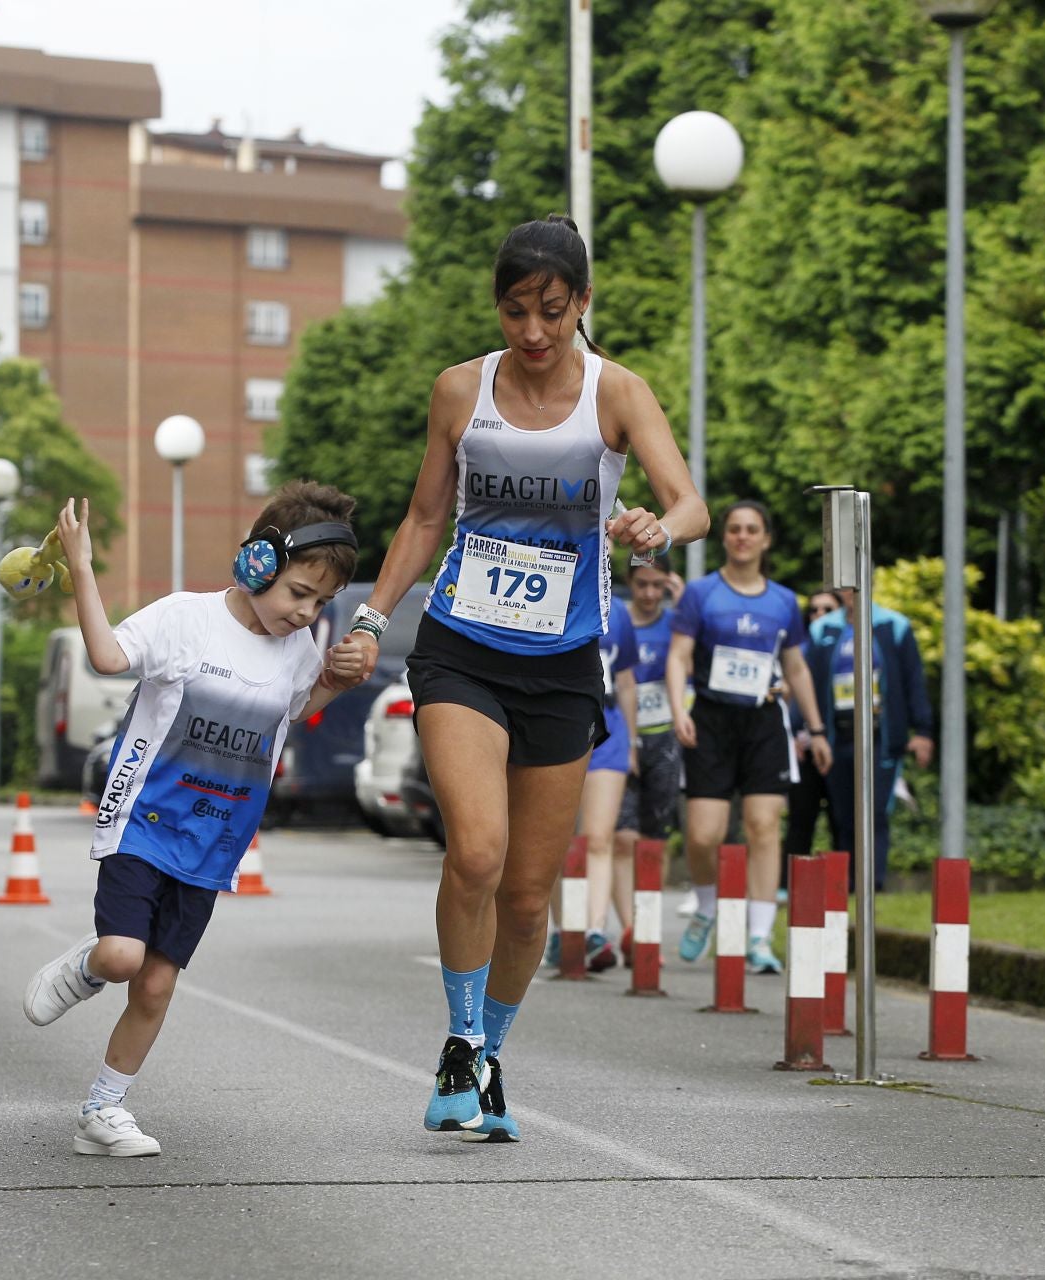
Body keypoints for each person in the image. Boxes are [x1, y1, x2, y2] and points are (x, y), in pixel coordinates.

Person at [343, 215, 706, 1141]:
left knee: (530, 895)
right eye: (516, 311)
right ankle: (459, 1046)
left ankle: (490, 1052)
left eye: (552, 310)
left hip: (564, 663)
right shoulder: (462, 390)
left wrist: (659, 528)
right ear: (498, 307)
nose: (535, 331)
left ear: (582, 303)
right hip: (463, 645)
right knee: (476, 852)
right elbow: (426, 518)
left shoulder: (617, 393)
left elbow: (689, 500)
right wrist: (375, 616)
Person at [22, 483, 367, 1158]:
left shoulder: (297, 650)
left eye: (321, 603)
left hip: (215, 838)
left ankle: (104, 1109)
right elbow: (108, 659)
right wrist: (84, 571)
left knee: (157, 981)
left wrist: (338, 678)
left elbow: (296, 708)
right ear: (257, 564)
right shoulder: (185, 618)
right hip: (144, 817)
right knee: (123, 958)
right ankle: (86, 967)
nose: (307, 613)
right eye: (299, 592)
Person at [665, 501, 832, 975]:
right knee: (703, 834)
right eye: (734, 529)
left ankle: (759, 937)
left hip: (763, 721)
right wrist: (681, 709)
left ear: (765, 540)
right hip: (712, 720)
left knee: (763, 826)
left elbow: (796, 667)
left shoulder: (782, 601)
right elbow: (679, 657)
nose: (742, 536)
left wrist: (815, 729)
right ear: (726, 538)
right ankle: (706, 904)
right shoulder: (700, 594)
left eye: (751, 529)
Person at [807, 587, 934, 890]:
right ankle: (847, 884)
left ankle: (873, 884)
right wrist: (808, 731)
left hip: (881, 737)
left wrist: (924, 732)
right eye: (846, 587)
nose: (851, 593)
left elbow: (913, 680)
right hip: (837, 735)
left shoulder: (895, 625)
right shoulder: (822, 629)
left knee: (875, 810)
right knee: (842, 814)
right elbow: (807, 682)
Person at [547, 594, 636, 972]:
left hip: (609, 729)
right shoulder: (548, 592)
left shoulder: (618, 611)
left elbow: (628, 681)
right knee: (553, 838)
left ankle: (595, 930)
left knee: (599, 837)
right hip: (555, 722)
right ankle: (563, 927)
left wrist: (632, 740)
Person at [616, 556, 684, 948]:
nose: (649, 594)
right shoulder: (619, 620)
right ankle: (630, 926)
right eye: (642, 585)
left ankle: (646, 919)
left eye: (658, 585)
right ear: (630, 582)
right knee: (623, 837)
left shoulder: (676, 623)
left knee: (654, 839)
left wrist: (684, 597)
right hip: (623, 738)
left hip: (664, 740)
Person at [782, 589, 843, 865]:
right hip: (804, 746)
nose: (819, 615)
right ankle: (788, 882)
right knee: (800, 818)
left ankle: (848, 882)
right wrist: (793, 735)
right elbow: (790, 696)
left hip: (840, 744)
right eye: (814, 610)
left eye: (827, 610)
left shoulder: (847, 644)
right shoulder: (799, 647)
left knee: (842, 819)